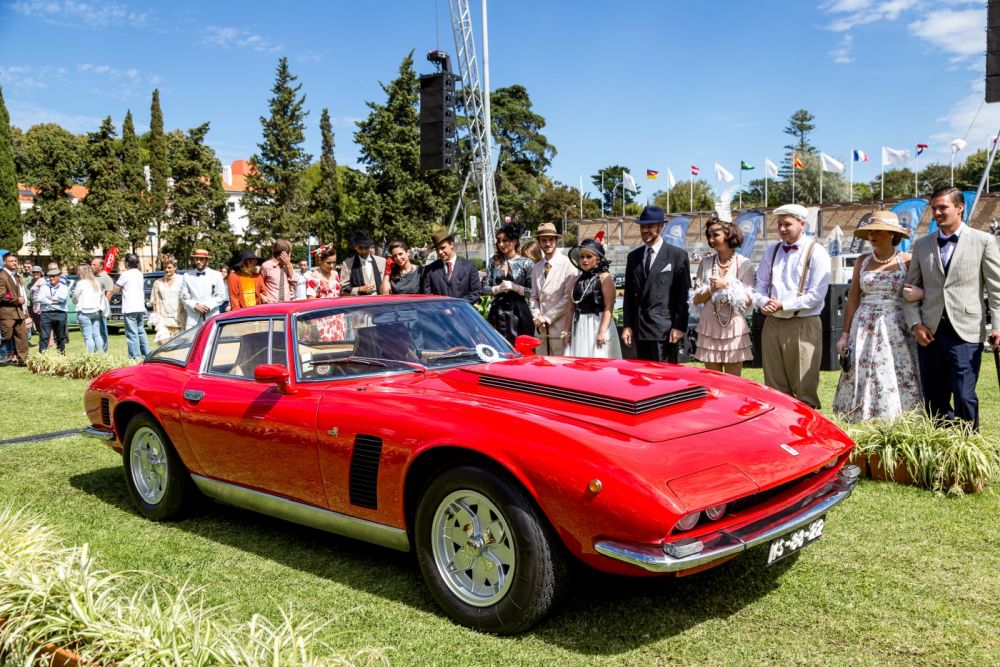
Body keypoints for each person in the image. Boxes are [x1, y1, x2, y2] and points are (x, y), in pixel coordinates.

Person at [903, 186, 1000, 430]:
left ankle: (967, 453)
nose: (936, 212)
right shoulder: (922, 244)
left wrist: (998, 326)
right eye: (933, 208)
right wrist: (915, 324)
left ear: (959, 208)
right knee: (934, 400)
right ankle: (940, 453)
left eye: (942, 207)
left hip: (966, 332)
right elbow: (908, 290)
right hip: (929, 332)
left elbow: (997, 290)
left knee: (964, 395)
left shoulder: (984, 241)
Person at [832, 211, 921, 422]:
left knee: (894, 370)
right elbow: (853, 299)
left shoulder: (908, 260)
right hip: (863, 326)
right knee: (864, 371)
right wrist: (844, 335)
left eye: (878, 230)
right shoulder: (861, 261)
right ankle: (862, 417)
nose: (872, 235)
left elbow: (919, 294)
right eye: (870, 231)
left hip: (896, 326)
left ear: (892, 234)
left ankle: (899, 419)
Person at [752, 203, 831, 409]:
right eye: (779, 224)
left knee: (804, 385)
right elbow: (760, 284)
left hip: (803, 323)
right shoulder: (772, 250)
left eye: (787, 224)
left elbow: (816, 295)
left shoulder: (817, 251)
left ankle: (807, 434)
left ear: (802, 224)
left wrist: (783, 304)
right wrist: (763, 302)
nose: (782, 229)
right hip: (772, 322)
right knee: (774, 385)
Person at [621, 205, 690, 363]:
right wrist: (627, 325)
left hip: (665, 330)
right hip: (640, 329)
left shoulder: (677, 255)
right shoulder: (634, 257)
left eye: (650, 226)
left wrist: (679, 326)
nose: (645, 230)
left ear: (662, 226)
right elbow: (629, 296)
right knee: (642, 380)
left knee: (665, 380)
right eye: (643, 226)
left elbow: (683, 296)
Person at [690, 218, 755, 375]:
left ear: (729, 235)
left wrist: (727, 285)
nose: (711, 240)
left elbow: (749, 300)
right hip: (709, 327)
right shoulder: (705, 263)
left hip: (734, 328)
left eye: (716, 235)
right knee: (713, 380)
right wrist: (711, 289)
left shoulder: (744, 264)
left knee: (733, 382)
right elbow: (695, 299)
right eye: (709, 236)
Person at [565, 239, 622, 359]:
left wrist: (602, 332)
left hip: (598, 324)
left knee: (600, 360)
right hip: (580, 326)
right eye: (582, 257)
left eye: (589, 256)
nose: (584, 260)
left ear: (598, 259)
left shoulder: (604, 278)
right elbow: (570, 308)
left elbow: (609, 307)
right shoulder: (575, 280)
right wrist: (567, 332)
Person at [529, 222, 577, 355]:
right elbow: (533, 297)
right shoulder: (537, 267)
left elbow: (568, 298)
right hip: (541, 331)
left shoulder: (568, 264)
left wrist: (547, 317)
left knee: (561, 371)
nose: (548, 243)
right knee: (541, 369)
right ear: (538, 242)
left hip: (560, 329)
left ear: (556, 241)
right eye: (544, 240)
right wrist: (537, 316)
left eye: (551, 239)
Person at [486, 222, 534, 344]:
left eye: (505, 240)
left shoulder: (526, 263)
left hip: (519, 313)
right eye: (498, 241)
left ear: (514, 241)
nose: (501, 244)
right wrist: (496, 289)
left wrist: (516, 288)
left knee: (520, 348)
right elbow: (484, 288)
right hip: (497, 311)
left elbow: (533, 292)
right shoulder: (494, 261)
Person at [420, 228, 482, 304]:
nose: (440, 252)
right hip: (439, 314)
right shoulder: (430, 270)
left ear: (451, 244)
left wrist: (456, 306)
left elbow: (476, 292)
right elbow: (427, 296)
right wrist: (442, 308)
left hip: (462, 313)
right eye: (437, 249)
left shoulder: (469, 267)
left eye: (443, 248)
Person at [180, 248, 226, 330]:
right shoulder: (187, 276)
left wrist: (208, 306)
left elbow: (221, 296)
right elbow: (183, 297)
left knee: (211, 341)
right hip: (193, 318)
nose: (198, 261)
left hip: (211, 316)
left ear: (207, 260)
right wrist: (195, 305)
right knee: (192, 341)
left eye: (201, 259)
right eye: (196, 259)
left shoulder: (217, 275)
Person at [114, 253, 149, 359]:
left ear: (126, 263)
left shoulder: (125, 274)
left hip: (129, 307)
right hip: (139, 307)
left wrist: (121, 291)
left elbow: (115, 289)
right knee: (141, 331)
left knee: (131, 333)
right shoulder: (139, 273)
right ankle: (146, 353)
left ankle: (135, 356)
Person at [0, 250, 30, 365]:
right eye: (11, 261)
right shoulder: (1, 275)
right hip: (6, 312)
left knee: (22, 336)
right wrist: (17, 299)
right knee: (6, 337)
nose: (14, 263)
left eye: (15, 261)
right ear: (4, 262)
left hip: (18, 312)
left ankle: (23, 360)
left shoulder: (16, 275)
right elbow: (1, 295)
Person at [35, 264, 70, 354]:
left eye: (53, 276)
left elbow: (62, 299)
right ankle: (42, 356)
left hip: (60, 313)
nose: (51, 278)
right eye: (50, 277)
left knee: (60, 337)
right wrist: (51, 301)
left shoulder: (64, 288)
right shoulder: (44, 287)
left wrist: (47, 299)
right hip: (46, 314)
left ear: (59, 277)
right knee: (44, 336)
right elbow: (40, 298)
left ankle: (61, 355)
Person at [72, 263, 106, 353]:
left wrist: (75, 302)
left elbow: (75, 296)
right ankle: (101, 353)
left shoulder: (81, 283)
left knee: (88, 336)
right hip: (96, 311)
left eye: (78, 270)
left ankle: (90, 355)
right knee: (97, 335)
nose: (77, 272)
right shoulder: (96, 282)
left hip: (84, 312)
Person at [340, 230, 385, 296]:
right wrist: (360, 289)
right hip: (359, 303)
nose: (363, 251)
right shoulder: (347, 264)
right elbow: (344, 287)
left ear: (370, 246)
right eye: (360, 248)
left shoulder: (382, 261)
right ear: (355, 247)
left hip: (379, 302)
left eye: (366, 248)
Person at [151, 258, 185, 344]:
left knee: (178, 346)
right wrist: (156, 317)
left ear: (175, 267)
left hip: (179, 318)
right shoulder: (157, 283)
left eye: (169, 267)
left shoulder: (182, 281)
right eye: (165, 267)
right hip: (162, 318)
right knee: (164, 344)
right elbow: (154, 301)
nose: (167, 270)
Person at [91, 257, 114, 351]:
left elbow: (109, 293)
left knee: (102, 331)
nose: (91, 266)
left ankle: (103, 350)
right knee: (94, 331)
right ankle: (96, 349)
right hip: (91, 308)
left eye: (94, 265)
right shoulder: (91, 277)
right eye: (91, 264)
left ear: (101, 267)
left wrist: (103, 308)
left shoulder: (106, 278)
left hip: (100, 309)